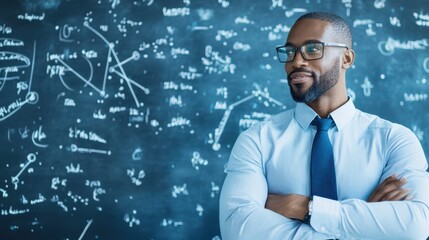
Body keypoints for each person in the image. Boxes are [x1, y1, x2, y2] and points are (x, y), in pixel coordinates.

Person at [219, 11, 429, 239]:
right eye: (290, 52)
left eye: (312, 49)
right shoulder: (257, 140)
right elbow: (237, 229)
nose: (296, 61)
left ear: (346, 59)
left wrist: (305, 208)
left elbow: (415, 225)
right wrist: (364, 227)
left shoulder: (393, 140)